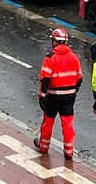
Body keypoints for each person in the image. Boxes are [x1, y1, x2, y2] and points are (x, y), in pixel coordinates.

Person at [34, 28, 82, 160]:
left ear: (54, 41)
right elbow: (79, 79)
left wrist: (42, 95)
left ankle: (43, 146)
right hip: (69, 97)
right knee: (67, 123)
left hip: (53, 96)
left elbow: (45, 80)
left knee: (48, 122)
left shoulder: (50, 58)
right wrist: (73, 92)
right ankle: (69, 150)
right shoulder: (74, 57)